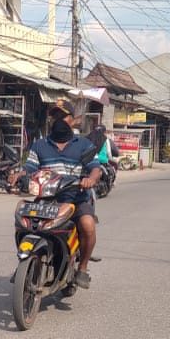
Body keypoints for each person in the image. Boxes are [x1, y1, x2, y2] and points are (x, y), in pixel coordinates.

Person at [19, 100, 101, 289]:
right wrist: (20, 175)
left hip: (76, 199)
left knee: (88, 225)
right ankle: (27, 259)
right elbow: (30, 168)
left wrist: (91, 179)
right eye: (55, 116)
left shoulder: (83, 144)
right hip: (47, 200)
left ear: (73, 120)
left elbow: (95, 168)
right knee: (25, 225)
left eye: (62, 116)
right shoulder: (40, 145)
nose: (58, 120)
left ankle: (82, 267)